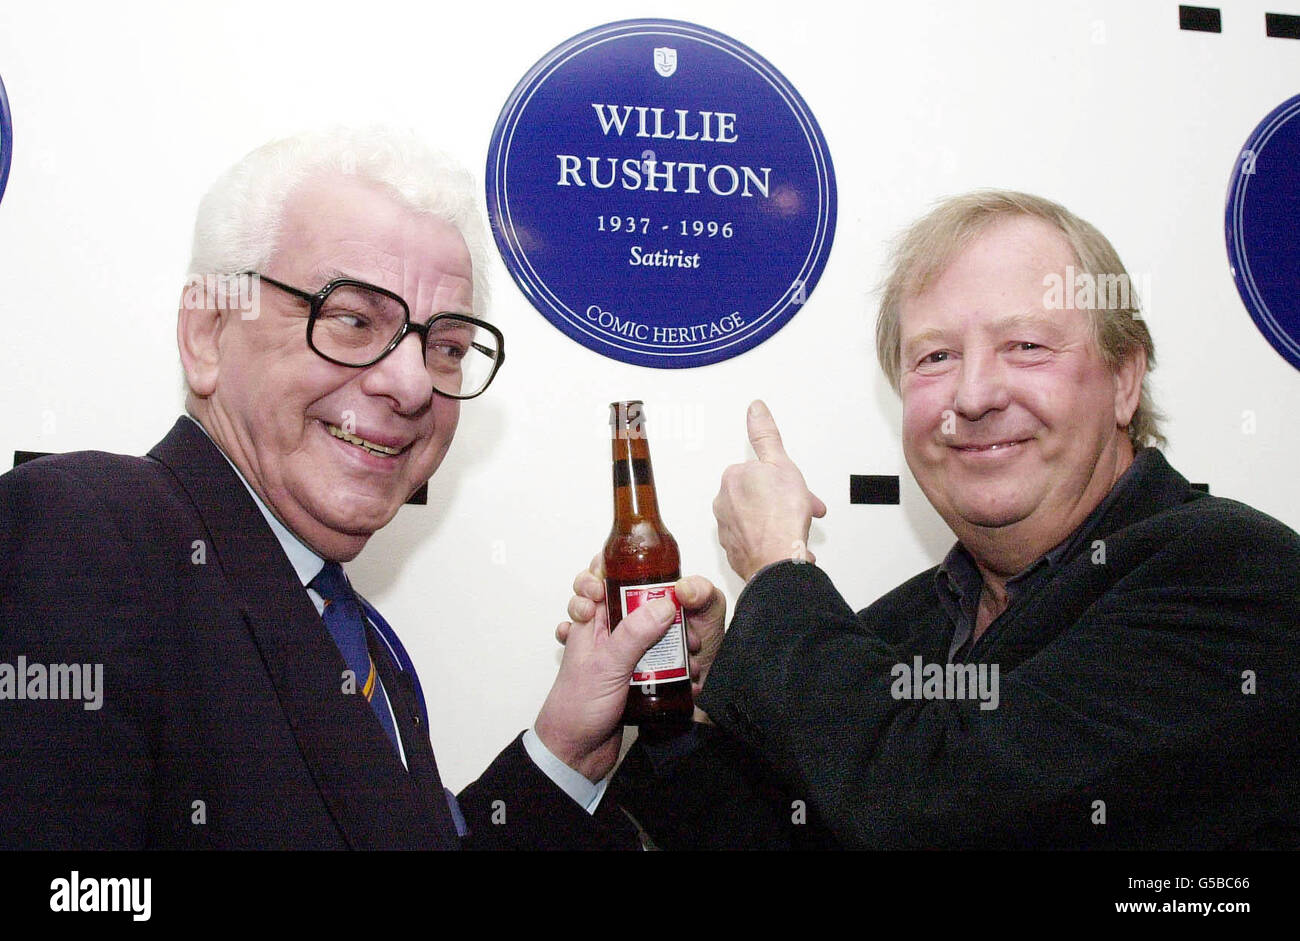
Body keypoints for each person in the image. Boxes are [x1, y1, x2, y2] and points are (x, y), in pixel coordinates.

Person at [0, 127, 714, 850]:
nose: (410, 384)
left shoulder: (365, 644)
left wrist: (569, 745)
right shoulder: (83, 533)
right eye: (350, 318)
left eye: (445, 348)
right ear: (208, 334)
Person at [569, 190, 1300, 849]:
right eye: (936, 356)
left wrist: (778, 572)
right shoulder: (908, 624)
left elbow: (938, 809)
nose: (974, 394)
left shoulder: (1238, 574)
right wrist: (683, 700)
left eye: (1026, 345)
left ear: (1124, 378)